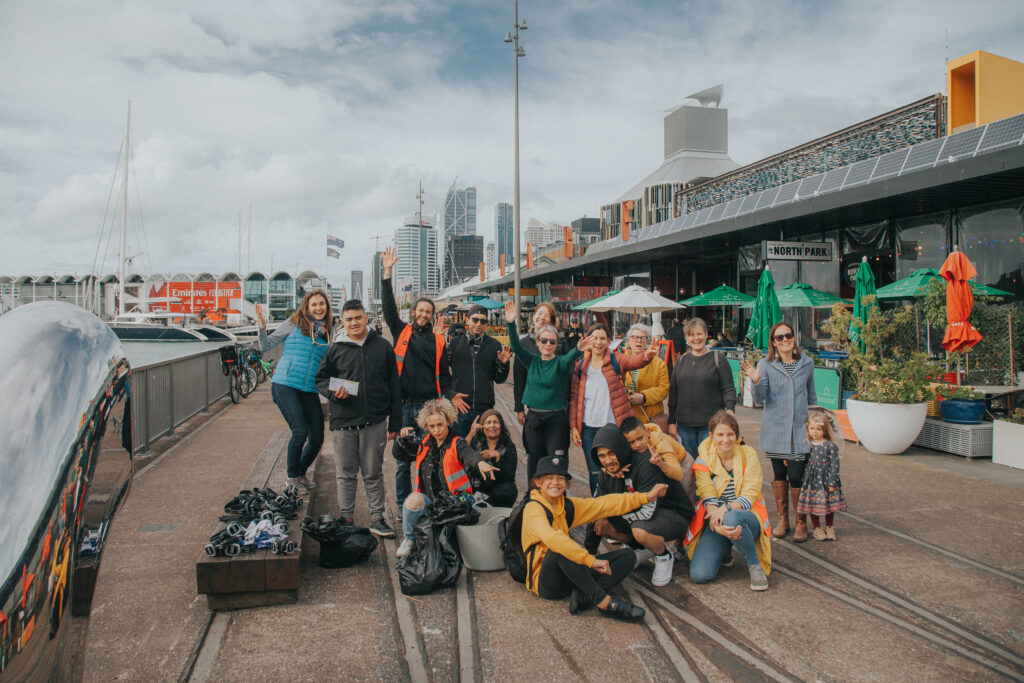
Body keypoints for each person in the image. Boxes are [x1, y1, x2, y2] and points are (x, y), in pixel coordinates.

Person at [522, 455, 669, 620]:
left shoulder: (566, 505)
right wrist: (591, 561)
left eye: (560, 478)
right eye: (549, 478)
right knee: (560, 548)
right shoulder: (533, 509)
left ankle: (584, 595)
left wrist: (646, 497)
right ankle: (604, 602)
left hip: (571, 574)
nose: (555, 482)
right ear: (538, 482)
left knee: (627, 556)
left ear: (566, 483)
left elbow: (604, 504)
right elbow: (553, 539)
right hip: (546, 583)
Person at [315, 299, 402, 537]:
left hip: (374, 421)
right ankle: (346, 517)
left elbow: (394, 384)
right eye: (349, 319)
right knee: (345, 473)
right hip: (343, 422)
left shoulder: (382, 346)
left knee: (373, 472)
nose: (354, 323)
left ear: (366, 318)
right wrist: (334, 393)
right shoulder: (336, 348)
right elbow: (321, 379)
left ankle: (377, 517)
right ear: (342, 322)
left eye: (358, 317)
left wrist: (395, 422)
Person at [380, 247, 456, 516]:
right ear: (413, 312)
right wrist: (387, 273)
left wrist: (451, 397)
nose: (424, 314)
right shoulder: (402, 331)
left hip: (428, 407)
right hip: (402, 406)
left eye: (428, 311)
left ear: (432, 315)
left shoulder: (437, 340)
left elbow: (444, 376)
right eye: (420, 310)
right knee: (402, 461)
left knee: (428, 459)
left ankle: (426, 503)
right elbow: (388, 306)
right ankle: (403, 507)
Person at [740, 321, 817, 543]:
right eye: (779, 337)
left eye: (788, 336)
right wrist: (755, 380)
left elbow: (811, 396)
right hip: (775, 428)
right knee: (779, 475)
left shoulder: (807, 363)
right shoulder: (766, 365)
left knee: (796, 475)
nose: (785, 340)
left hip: (799, 429)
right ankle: (784, 520)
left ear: (795, 338)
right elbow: (759, 398)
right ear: (773, 342)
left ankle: (801, 521)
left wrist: (814, 425)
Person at [391, 399, 499, 557]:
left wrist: (480, 463)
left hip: (457, 501)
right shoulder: (424, 442)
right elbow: (400, 455)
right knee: (413, 500)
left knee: (447, 541)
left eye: (440, 425)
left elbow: (468, 454)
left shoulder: (457, 443)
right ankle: (409, 539)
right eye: (432, 426)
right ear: (427, 427)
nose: (436, 430)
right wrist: (401, 440)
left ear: (448, 421)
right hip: (431, 500)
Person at [589, 424, 693, 587]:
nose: (608, 460)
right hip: (641, 516)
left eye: (611, 453)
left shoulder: (645, 462)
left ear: (620, 447)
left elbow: (647, 511)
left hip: (673, 513)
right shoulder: (607, 472)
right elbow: (595, 507)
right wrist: (589, 555)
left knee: (639, 529)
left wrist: (614, 514)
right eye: (602, 456)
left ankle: (663, 555)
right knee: (601, 524)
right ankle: (641, 548)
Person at [505, 300, 590, 481]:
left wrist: (578, 348)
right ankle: (532, 499)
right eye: (544, 340)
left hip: (556, 420)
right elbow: (516, 346)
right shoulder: (531, 360)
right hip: (534, 419)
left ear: (556, 343)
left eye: (552, 341)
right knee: (534, 461)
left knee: (556, 461)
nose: (548, 343)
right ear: (538, 342)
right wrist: (511, 323)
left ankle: (559, 499)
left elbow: (571, 356)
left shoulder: (560, 363)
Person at [686, 411, 772, 591]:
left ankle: (754, 565)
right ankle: (725, 549)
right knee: (699, 575)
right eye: (720, 434)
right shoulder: (703, 459)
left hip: (746, 517)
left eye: (730, 434)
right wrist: (717, 525)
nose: (726, 439)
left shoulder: (748, 454)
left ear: (737, 436)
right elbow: (706, 493)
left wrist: (724, 509)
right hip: (716, 520)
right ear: (711, 436)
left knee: (732, 519)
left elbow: (750, 493)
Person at [257, 290, 332, 490]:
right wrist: (262, 327)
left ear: (327, 308)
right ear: (307, 306)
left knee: (317, 437)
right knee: (299, 431)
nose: (318, 308)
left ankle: (299, 472)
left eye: (321, 304)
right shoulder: (294, 323)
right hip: (285, 384)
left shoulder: (325, 332)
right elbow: (266, 346)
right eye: (314, 304)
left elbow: (329, 363)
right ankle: (292, 476)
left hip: (308, 389)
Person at [569, 322, 656, 494]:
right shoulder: (580, 367)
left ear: (609, 341)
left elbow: (635, 361)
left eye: (602, 338)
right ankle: (599, 510)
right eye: (594, 338)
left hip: (613, 427)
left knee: (618, 468)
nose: (598, 342)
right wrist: (573, 426)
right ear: (587, 340)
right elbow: (574, 398)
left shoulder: (617, 359)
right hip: (588, 429)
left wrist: (647, 355)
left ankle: (617, 508)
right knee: (595, 472)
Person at [668, 318, 736, 461]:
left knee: (711, 465)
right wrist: (671, 422)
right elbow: (673, 394)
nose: (696, 338)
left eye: (699, 334)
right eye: (691, 335)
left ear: (706, 335)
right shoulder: (680, 361)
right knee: (690, 467)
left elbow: (728, 389)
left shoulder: (718, 359)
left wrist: (730, 410)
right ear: (687, 338)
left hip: (711, 426)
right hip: (684, 427)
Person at [447, 305, 512, 437]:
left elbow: (499, 379)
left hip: (485, 407)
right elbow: (442, 372)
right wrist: (451, 394)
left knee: (483, 448)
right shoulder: (455, 343)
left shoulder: (494, 345)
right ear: (467, 320)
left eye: (483, 321)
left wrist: (504, 364)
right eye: (475, 320)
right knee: (460, 446)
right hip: (461, 407)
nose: (478, 324)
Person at [513, 301, 568, 427]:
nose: (542, 317)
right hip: (534, 408)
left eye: (547, 315)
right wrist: (519, 408)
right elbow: (519, 378)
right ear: (534, 316)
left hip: (557, 408)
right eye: (540, 313)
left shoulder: (560, 342)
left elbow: (569, 374)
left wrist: (568, 403)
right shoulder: (524, 344)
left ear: (552, 321)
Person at [620, 416, 696, 506]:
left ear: (647, 432)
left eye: (640, 438)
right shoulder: (638, 436)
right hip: (662, 466)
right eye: (632, 442)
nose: (638, 445)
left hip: (682, 465)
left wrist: (662, 464)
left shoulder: (661, 444)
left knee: (685, 503)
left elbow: (678, 474)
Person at [797, 411, 847, 541]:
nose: (815, 432)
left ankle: (830, 527)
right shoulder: (807, 445)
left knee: (828, 506)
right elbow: (802, 461)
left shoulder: (830, 446)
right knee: (814, 505)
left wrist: (832, 482)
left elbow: (835, 465)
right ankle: (817, 528)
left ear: (825, 430)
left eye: (818, 429)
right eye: (812, 428)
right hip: (812, 481)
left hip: (826, 480)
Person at [466, 409, 519, 507]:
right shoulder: (476, 442)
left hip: (498, 489)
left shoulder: (509, 446)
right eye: (488, 422)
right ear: (482, 426)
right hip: (478, 486)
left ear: (501, 426)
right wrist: (471, 433)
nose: (492, 426)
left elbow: (509, 476)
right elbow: (460, 452)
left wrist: (498, 458)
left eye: (496, 422)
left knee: (508, 489)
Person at [621, 323, 670, 427]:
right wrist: (629, 395)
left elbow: (664, 389)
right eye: (635, 337)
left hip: (650, 419)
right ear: (628, 341)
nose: (639, 341)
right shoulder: (620, 362)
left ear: (647, 341)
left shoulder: (658, 363)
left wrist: (644, 397)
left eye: (643, 338)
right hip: (627, 418)